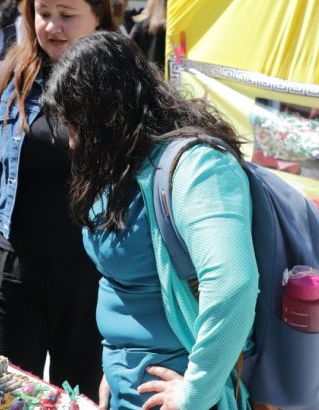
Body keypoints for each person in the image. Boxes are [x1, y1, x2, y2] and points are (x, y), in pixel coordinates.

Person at [42, 31, 259, 410]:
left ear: (109, 115)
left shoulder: (199, 166)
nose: (72, 142)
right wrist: (113, 370)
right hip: (127, 385)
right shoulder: (121, 160)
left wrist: (196, 392)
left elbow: (232, 284)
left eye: (77, 126)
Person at [0, 0, 112, 399]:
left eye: (67, 15)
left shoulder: (121, 87)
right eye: (43, 13)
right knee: (3, 395)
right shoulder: (5, 80)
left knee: (80, 399)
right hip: (13, 274)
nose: (52, 27)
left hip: (93, 278)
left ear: (98, 15)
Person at [130, 0, 167, 69]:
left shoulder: (139, 24)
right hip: (165, 72)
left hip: (144, 71)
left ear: (150, 3)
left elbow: (129, 48)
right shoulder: (170, 27)